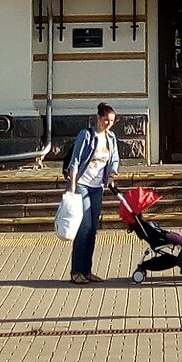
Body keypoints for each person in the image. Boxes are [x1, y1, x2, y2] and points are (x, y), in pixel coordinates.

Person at [63, 102, 121, 284]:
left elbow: (114, 159)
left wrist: (111, 176)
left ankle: (87, 271)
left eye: (111, 121)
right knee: (84, 227)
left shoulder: (111, 138)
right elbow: (75, 161)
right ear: (98, 118)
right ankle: (76, 271)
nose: (108, 124)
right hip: (82, 184)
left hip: (97, 187)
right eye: (105, 120)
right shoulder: (86, 135)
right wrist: (72, 187)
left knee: (93, 229)